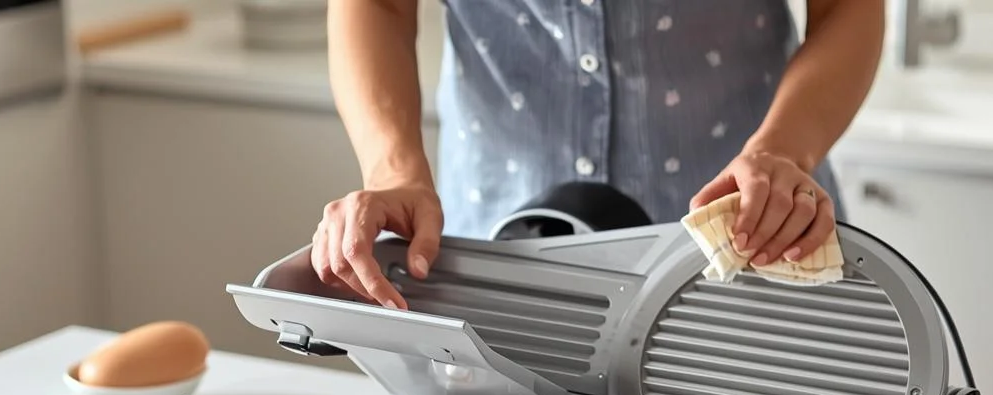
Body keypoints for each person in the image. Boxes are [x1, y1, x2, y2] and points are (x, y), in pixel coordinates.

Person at [314, 0, 884, 309]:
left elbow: (846, 8)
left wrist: (784, 148)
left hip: (753, 238)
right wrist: (394, 169)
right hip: (495, 246)